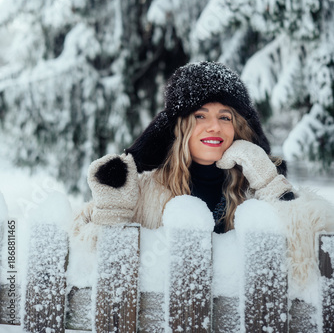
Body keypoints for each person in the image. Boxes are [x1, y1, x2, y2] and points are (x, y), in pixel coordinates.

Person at [73, 61, 301, 241]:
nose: (214, 126)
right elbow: (87, 252)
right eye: (200, 116)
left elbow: (305, 247)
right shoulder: (142, 192)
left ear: (237, 128)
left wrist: (267, 179)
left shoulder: (256, 186)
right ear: (180, 128)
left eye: (225, 117)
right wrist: (114, 210)